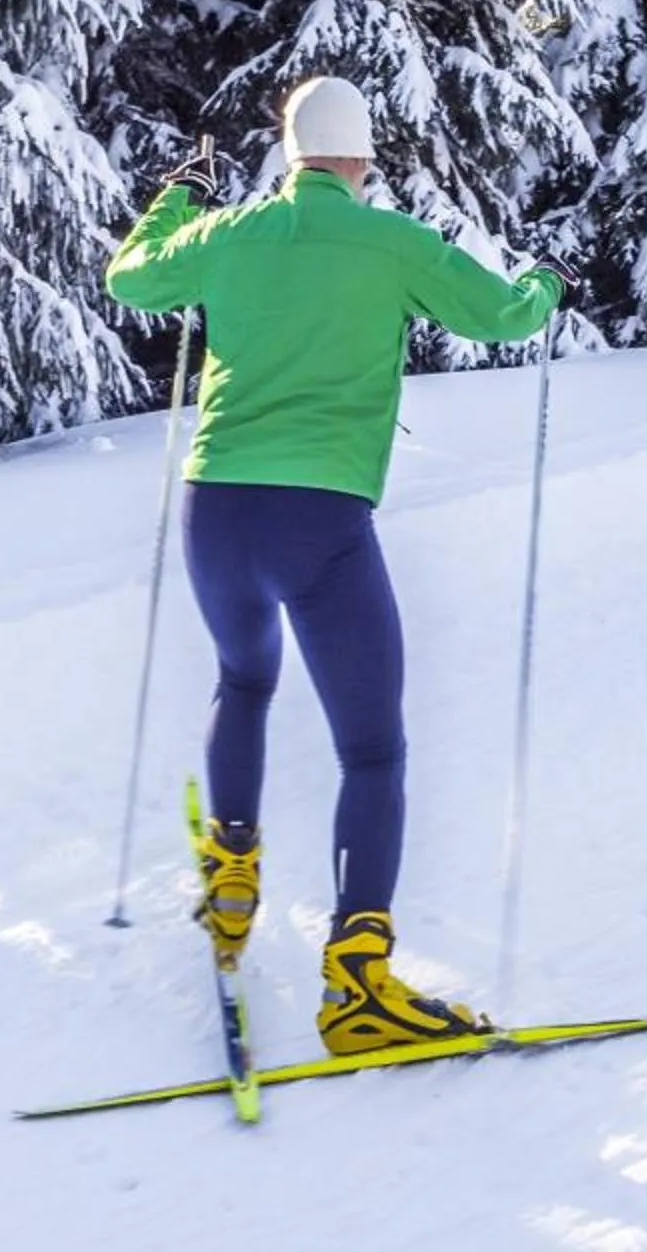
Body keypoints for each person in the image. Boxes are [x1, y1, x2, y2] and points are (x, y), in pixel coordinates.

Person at [103, 76, 565, 1052]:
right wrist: (544, 288)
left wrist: (178, 198)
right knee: (372, 750)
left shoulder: (229, 234)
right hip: (320, 520)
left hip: (216, 511)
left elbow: (132, 276)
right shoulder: (389, 240)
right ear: (363, 159)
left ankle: (231, 880)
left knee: (244, 677)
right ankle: (357, 982)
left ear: (290, 151)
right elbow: (502, 318)